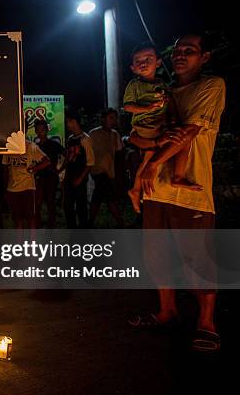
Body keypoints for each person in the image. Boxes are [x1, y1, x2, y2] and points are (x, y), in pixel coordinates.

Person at [129, 33, 225, 352]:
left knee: (198, 259)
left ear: (205, 57)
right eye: (178, 51)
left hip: (192, 191)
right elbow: (142, 132)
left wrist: (154, 164)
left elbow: (188, 131)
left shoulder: (211, 87)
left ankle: (207, 322)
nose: (181, 55)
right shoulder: (163, 92)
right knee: (156, 255)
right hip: (155, 191)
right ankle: (167, 311)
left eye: (190, 51)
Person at [124, 42, 199, 213]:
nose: (143, 63)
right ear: (133, 68)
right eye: (138, 61)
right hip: (146, 125)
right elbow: (128, 107)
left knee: (182, 139)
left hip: (161, 124)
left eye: (148, 59)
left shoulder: (163, 84)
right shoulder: (135, 85)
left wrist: (173, 117)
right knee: (151, 154)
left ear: (158, 62)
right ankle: (135, 190)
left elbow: (170, 101)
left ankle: (177, 176)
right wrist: (147, 109)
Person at [88, 109, 125, 228]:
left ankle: (89, 222)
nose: (113, 121)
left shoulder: (115, 135)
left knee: (98, 197)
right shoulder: (93, 134)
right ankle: (120, 223)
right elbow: (87, 152)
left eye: (115, 118)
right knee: (109, 197)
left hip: (109, 172)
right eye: (111, 118)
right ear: (103, 119)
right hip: (97, 171)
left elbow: (119, 153)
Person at [2, 138, 50, 229]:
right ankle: (20, 242)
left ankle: (32, 243)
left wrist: (34, 169)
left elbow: (47, 161)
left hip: (27, 187)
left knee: (31, 218)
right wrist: (5, 187)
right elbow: (5, 168)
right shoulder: (9, 147)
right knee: (17, 219)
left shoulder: (30, 146)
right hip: (12, 188)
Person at [63, 113, 94, 228]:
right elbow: (68, 159)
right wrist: (64, 175)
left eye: (68, 122)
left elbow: (90, 162)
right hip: (70, 177)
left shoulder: (85, 139)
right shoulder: (71, 139)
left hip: (80, 177)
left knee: (81, 206)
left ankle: (83, 230)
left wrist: (80, 179)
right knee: (68, 206)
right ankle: (72, 228)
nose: (67, 125)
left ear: (74, 122)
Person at [34, 119, 65, 228]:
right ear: (35, 131)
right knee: (37, 203)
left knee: (50, 201)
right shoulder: (35, 146)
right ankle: (38, 224)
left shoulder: (53, 144)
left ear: (47, 130)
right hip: (39, 177)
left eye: (43, 129)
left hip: (51, 177)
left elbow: (67, 156)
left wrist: (60, 170)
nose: (41, 131)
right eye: (38, 129)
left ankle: (51, 225)